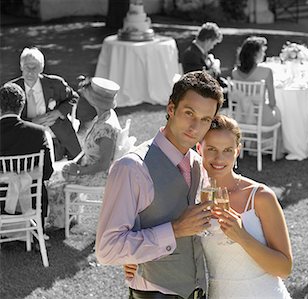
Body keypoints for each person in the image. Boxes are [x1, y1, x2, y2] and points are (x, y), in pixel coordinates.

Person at [124, 114, 293, 298]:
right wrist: (136, 259)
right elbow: (171, 238)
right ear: (199, 148)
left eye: (228, 150)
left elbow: (284, 268)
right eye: (211, 149)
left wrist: (242, 236)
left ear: (237, 151)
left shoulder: (260, 197)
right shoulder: (191, 198)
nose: (219, 158)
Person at [95, 71, 224, 299]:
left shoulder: (196, 164)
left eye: (205, 119)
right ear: (171, 109)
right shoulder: (131, 168)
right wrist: (174, 230)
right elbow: (107, 250)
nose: (196, 127)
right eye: (189, 113)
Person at [46, 77, 122, 229]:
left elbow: (103, 164)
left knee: (52, 180)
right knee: (57, 172)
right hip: (91, 167)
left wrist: (79, 170)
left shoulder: (106, 127)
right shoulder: (105, 116)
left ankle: (60, 222)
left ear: (95, 100)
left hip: (99, 175)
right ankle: (67, 217)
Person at [0, 82, 54, 236]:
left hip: (2, 202)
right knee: (39, 186)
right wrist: (27, 176)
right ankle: (37, 233)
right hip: (31, 202)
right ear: (22, 106)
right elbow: (47, 172)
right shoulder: (38, 133)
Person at [231, 36, 284, 159]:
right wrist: (272, 108)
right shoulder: (267, 71)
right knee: (279, 112)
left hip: (242, 116)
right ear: (255, 54)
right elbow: (272, 101)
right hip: (261, 118)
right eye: (262, 51)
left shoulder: (235, 72)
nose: (264, 53)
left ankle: (254, 146)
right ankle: (277, 151)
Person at [181, 22, 229, 93]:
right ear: (208, 40)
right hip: (198, 93)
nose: (212, 47)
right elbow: (200, 79)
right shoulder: (191, 54)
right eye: (213, 44)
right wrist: (215, 67)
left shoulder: (199, 52)